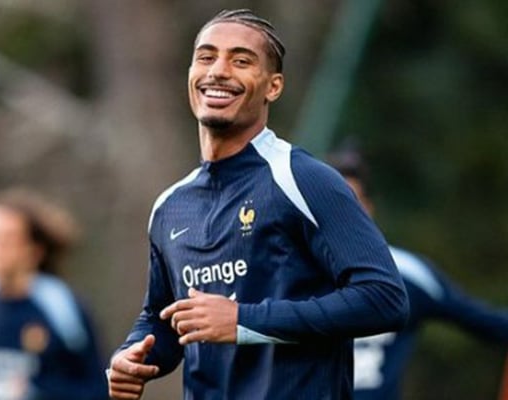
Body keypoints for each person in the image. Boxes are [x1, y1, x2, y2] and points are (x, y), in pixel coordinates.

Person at [106, 9, 409, 400]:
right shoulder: (170, 206)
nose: (218, 71)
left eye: (241, 61)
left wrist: (242, 320)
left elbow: (384, 298)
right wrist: (132, 355)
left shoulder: (303, 179)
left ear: (273, 87)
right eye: (206, 57)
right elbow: (161, 319)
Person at [325, 148, 508, 400]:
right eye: (330, 203)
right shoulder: (287, 273)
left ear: (369, 207)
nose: (341, 214)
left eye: (351, 202)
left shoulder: (408, 275)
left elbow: (490, 323)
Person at [0, 188, 109, 400]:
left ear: (34, 250)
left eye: (5, 240)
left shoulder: (61, 306)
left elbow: (98, 388)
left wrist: (38, 390)